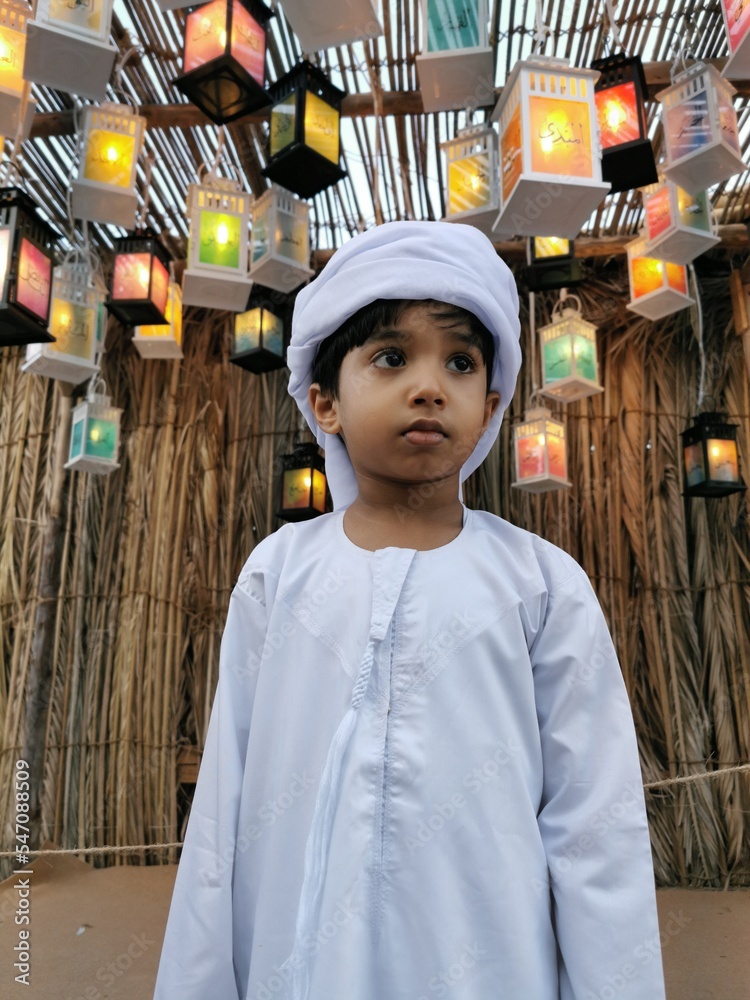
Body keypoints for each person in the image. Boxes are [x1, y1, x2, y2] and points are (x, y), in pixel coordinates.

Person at [153, 221, 667, 1000]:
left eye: (459, 363)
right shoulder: (278, 574)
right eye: (391, 357)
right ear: (323, 401)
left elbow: (596, 827)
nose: (430, 386)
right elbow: (224, 808)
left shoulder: (542, 585)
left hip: (489, 967)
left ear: (491, 404)